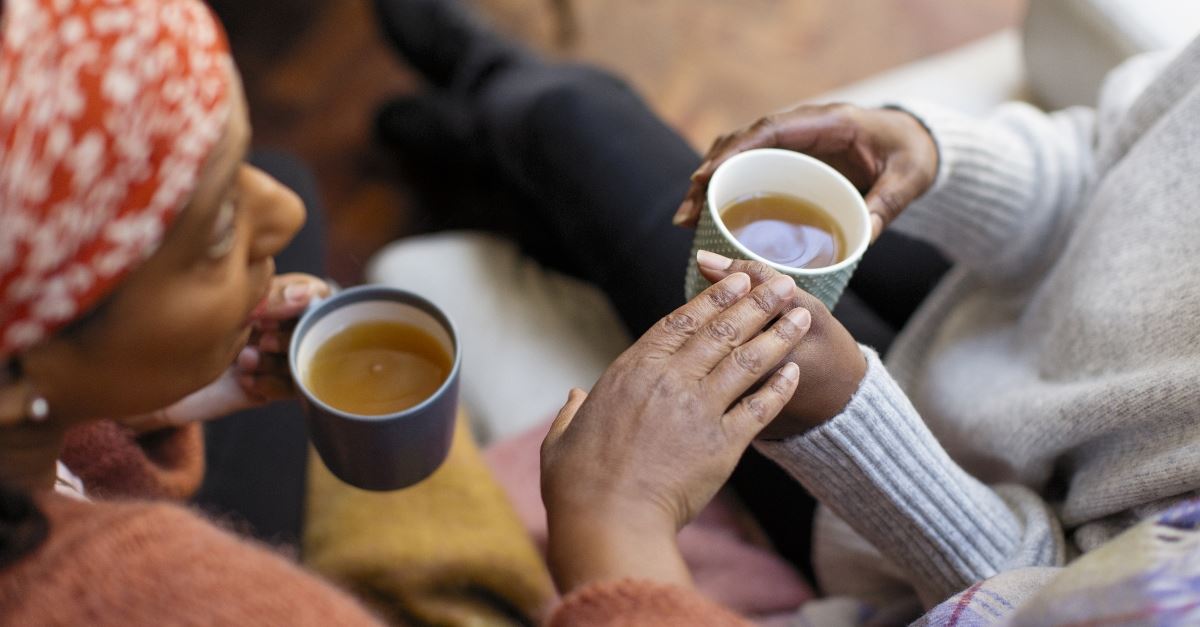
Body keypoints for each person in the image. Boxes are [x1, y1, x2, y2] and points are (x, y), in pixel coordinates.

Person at [369, 0, 1200, 623]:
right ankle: (480, 138)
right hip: (986, 301)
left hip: (907, 500)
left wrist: (844, 418)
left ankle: (480, 115)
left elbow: (1035, 599)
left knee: (571, 121)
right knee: (574, 141)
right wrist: (939, 155)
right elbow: (1107, 156)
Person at [0, 0, 808, 623]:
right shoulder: (189, 599)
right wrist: (619, 533)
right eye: (214, 225)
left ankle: (464, 117)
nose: (273, 209)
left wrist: (154, 407)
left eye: (237, 161)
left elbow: (61, 467)